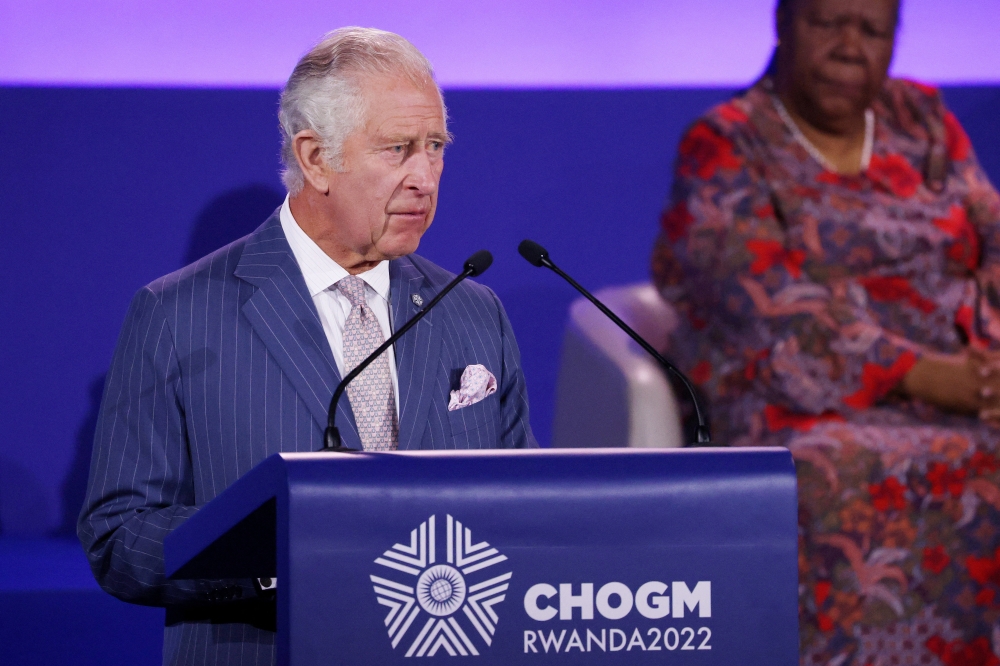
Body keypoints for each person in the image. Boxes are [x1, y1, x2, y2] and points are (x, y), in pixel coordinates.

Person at [79, 27, 536, 666]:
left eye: (435, 147)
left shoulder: (471, 309)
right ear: (316, 158)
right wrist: (280, 559)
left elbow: (523, 509)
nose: (424, 177)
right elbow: (118, 536)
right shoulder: (178, 315)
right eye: (397, 149)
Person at [651, 0, 1000, 663]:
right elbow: (758, 299)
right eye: (828, 22)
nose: (849, 46)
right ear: (783, 25)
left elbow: (991, 236)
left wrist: (986, 366)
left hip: (962, 383)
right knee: (834, 472)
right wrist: (926, 375)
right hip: (795, 397)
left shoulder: (922, 118)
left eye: (871, 30)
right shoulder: (727, 142)